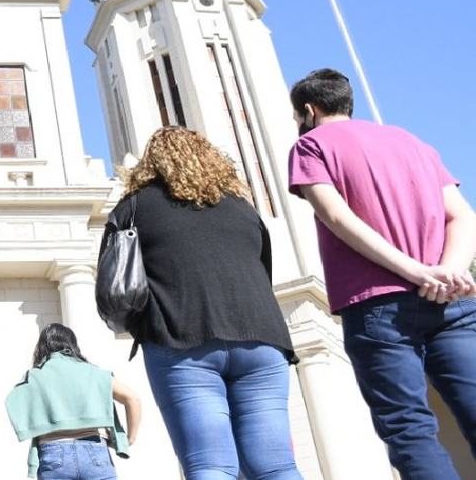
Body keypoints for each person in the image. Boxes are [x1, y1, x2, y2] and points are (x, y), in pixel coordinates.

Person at [288, 68, 476, 479]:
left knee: (410, 430)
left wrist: (413, 271)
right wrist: (447, 271)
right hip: (451, 301)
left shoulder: (310, 146)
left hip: (377, 304)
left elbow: (337, 217)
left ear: (308, 109)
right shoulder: (412, 142)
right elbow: (462, 216)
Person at [108, 126, 303, 480]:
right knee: (276, 465)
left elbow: (112, 284)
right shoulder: (242, 209)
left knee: (211, 466)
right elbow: (263, 271)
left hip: (181, 339)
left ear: (150, 166)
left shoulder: (133, 209)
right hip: (261, 339)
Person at [5, 323, 141, 479]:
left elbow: (12, 400)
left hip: (52, 454)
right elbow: (133, 399)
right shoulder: (93, 372)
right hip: (95, 452)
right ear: (72, 344)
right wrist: (129, 439)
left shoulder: (34, 376)